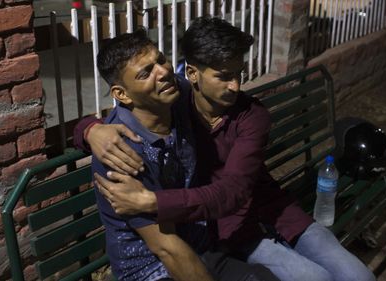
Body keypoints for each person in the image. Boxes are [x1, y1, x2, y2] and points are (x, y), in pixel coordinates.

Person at [76, 17, 375, 281]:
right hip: (230, 231)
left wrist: (153, 201)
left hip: (271, 214)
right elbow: (132, 109)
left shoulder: (250, 116)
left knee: (359, 277)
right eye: (223, 76)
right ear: (192, 75)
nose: (235, 86)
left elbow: (232, 191)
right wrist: (90, 130)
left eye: (239, 73)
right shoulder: (176, 101)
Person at [90, 28, 278, 281]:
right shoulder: (121, 152)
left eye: (161, 59)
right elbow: (166, 248)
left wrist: (88, 129)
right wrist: (94, 132)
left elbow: (233, 189)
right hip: (151, 268)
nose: (164, 72)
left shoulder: (175, 97)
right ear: (121, 94)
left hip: (199, 246)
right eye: (146, 73)